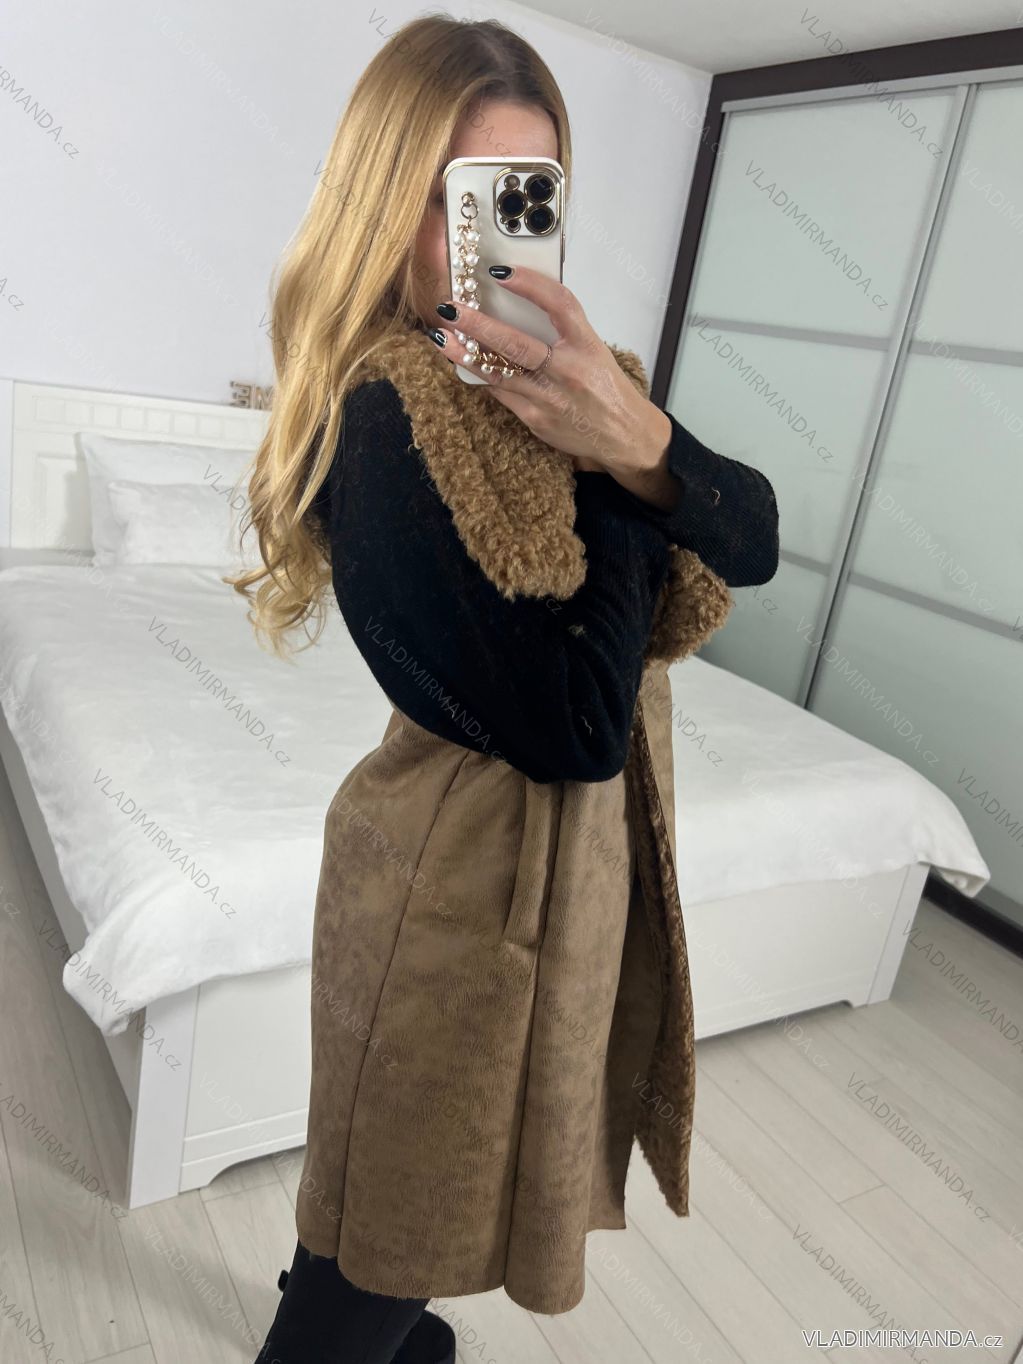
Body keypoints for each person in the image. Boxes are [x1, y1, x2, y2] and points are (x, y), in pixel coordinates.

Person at [228, 15, 779, 1364]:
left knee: (387, 1181)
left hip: (565, 875)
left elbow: (754, 536)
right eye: (450, 196)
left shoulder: (590, 388)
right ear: (381, 205)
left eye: (522, 195)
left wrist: (637, 438)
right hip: (449, 887)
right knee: (405, 1187)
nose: (489, 235)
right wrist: (620, 467)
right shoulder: (384, 414)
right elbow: (579, 726)